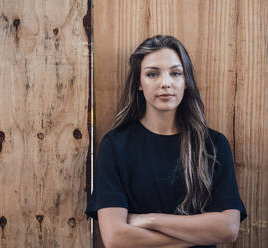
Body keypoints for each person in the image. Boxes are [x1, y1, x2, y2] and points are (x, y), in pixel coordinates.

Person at [85, 35, 247, 248]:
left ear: (186, 81)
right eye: (152, 74)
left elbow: (228, 229)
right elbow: (116, 238)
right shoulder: (115, 145)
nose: (165, 83)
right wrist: (199, 234)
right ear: (139, 83)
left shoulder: (213, 145)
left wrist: (151, 220)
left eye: (175, 73)